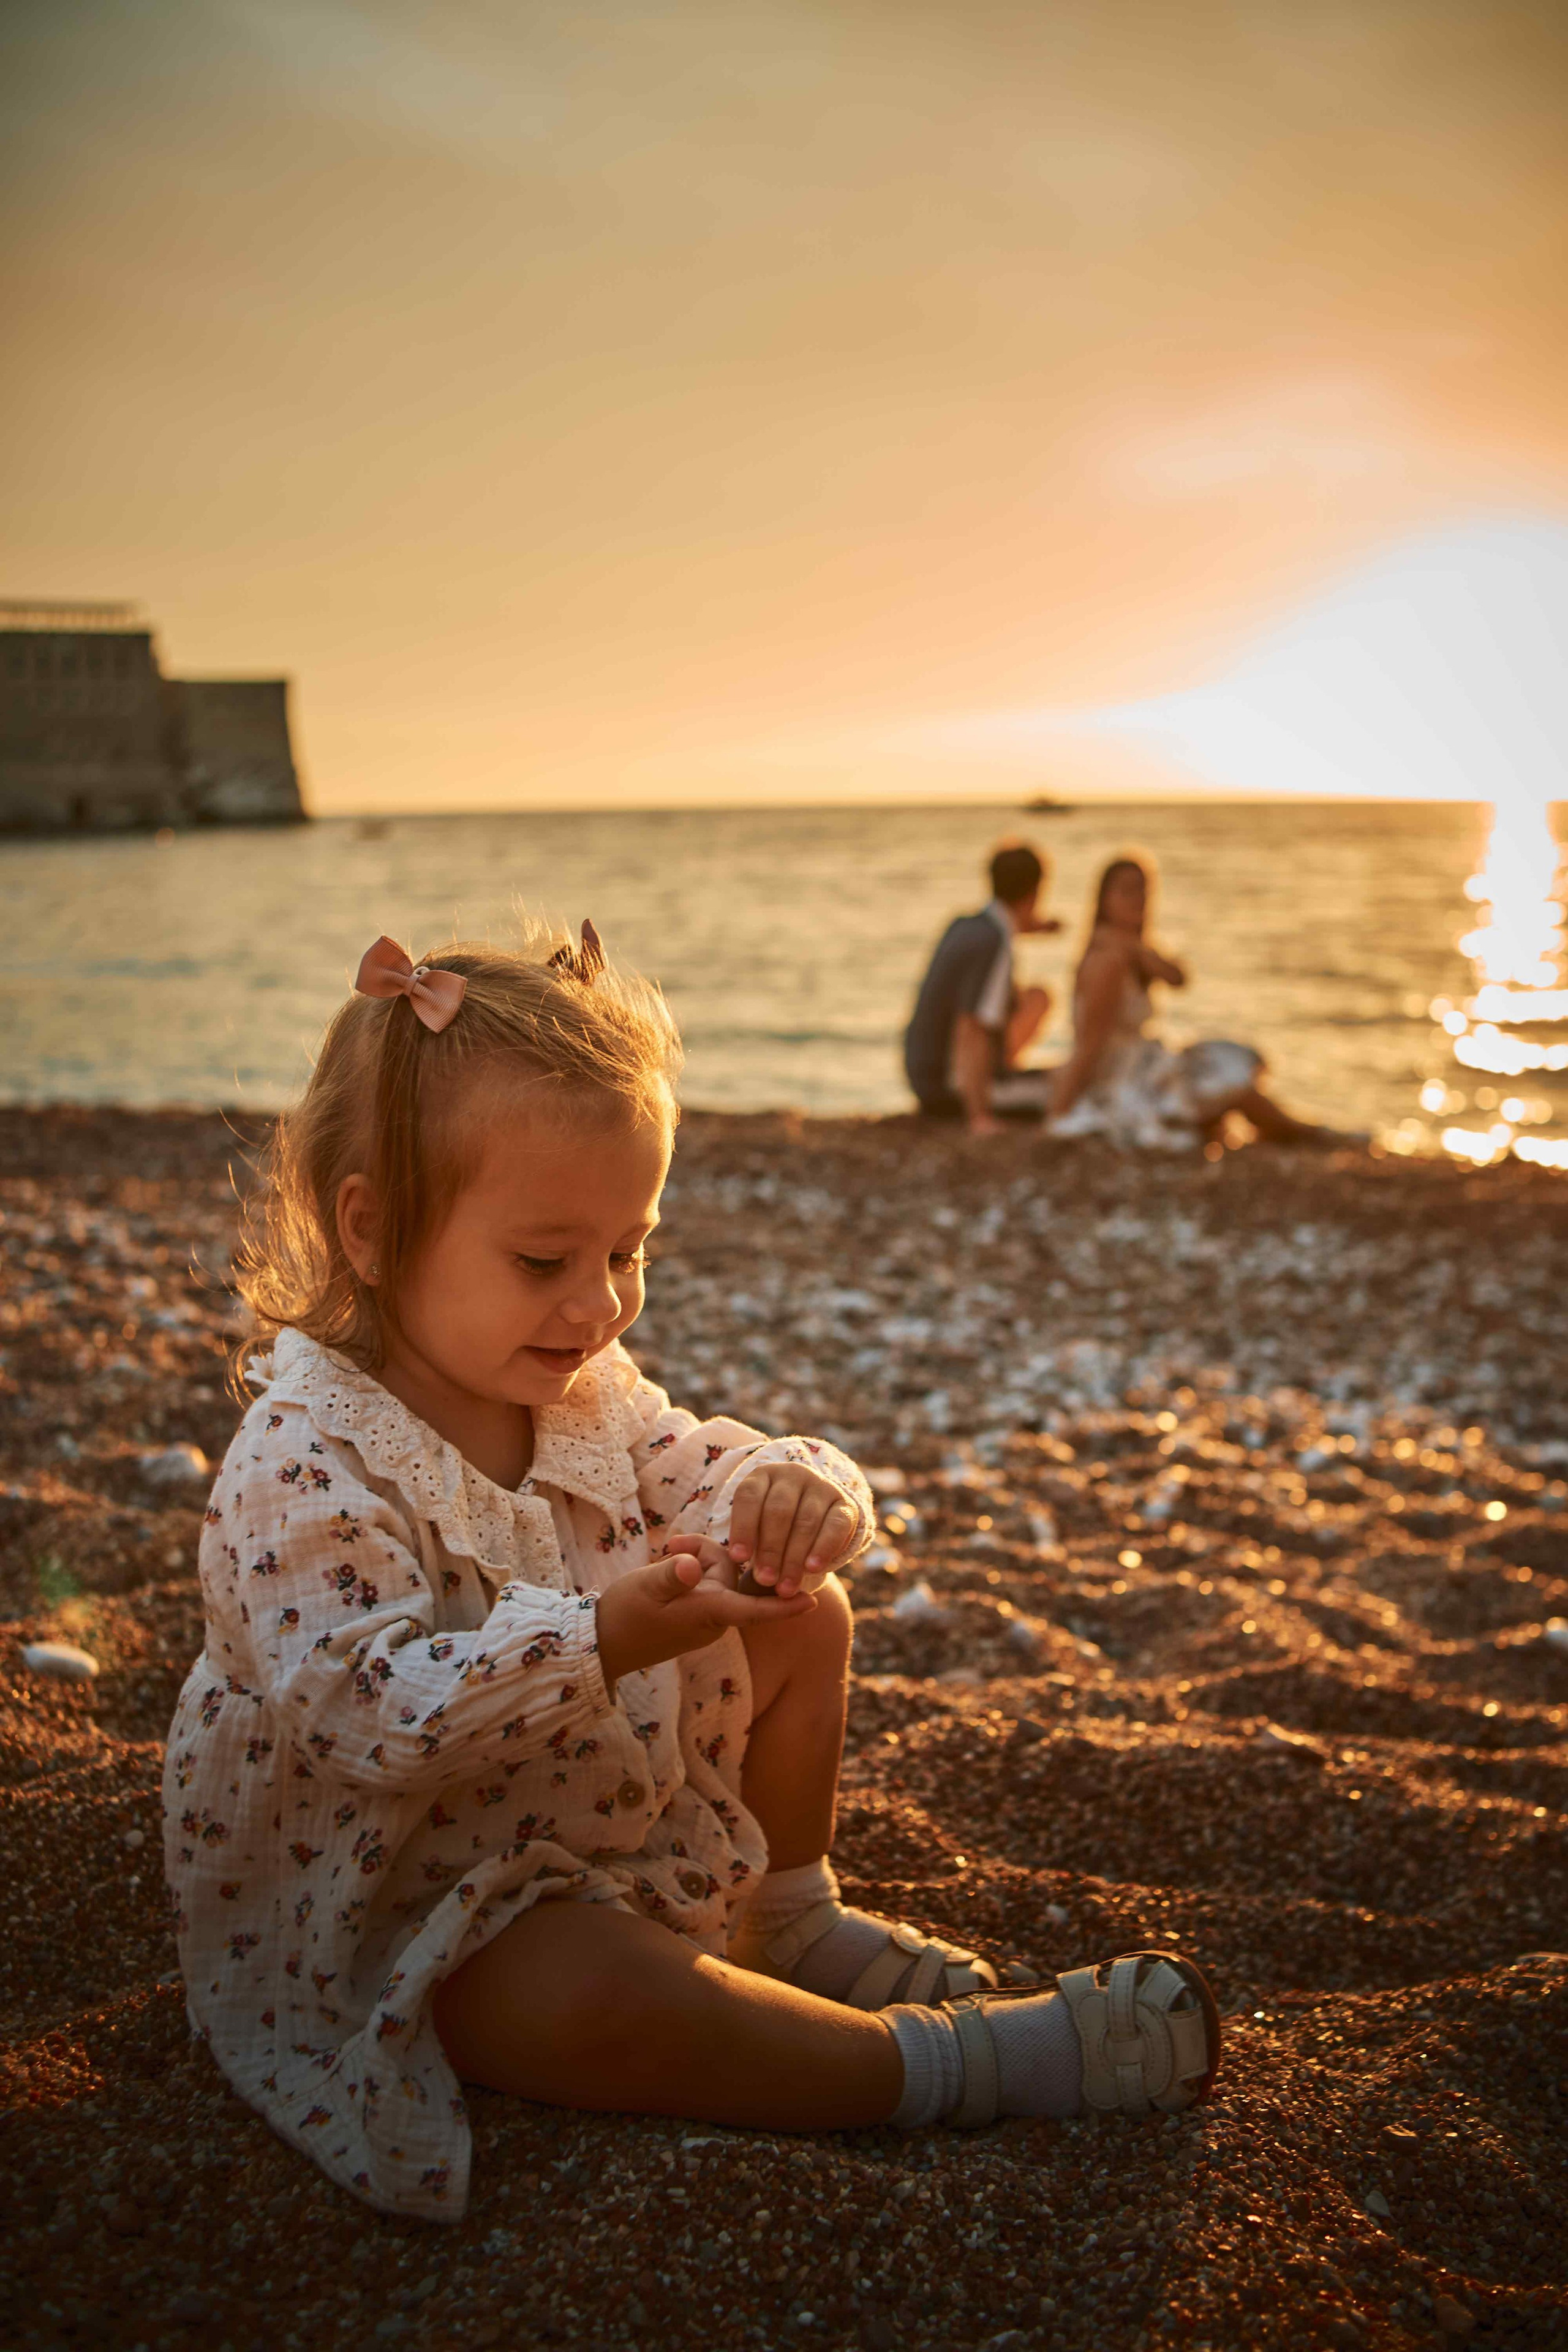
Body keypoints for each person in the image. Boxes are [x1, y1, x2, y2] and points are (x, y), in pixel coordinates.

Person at [164, 922, 1221, 2221]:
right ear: (372, 1232)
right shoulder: (307, 1456)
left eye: (628, 1251)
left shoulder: (576, 1389)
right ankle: (948, 2067)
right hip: (400, 1889)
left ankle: (784, 1915)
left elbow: (697, 1460)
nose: (599, 1305)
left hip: (547, 1803)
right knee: (584, 1995)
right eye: (545, 1261)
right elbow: (363, 1716)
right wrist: (603, 1632)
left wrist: (788, 1494)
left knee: (801, 1613)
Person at [1049, 854, 1338, 1148]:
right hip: (1122, 1082)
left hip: (1145, 1067)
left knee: (1226, 1065)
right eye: (1127, 890)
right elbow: (1089, 1042)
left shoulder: (1130, 951)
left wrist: (1135, 947)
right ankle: (1303, 1133)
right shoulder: (1107, 960)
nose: (1139, 899)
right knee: (1229, 1086)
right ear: (1105, 899)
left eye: (1144, 889)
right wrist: (1060, 1111)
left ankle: (1294, 1131)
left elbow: (1178, 978)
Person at [903, 840, 1060, 1133]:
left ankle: (997, 1078)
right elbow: (971, 1026)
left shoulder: (966, 925)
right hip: (949, 1091)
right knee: (1065, 1088)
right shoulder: (996, 942)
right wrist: (979, 1117)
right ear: (1036, 891)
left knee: (1036, 997)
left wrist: (1035, 928)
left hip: (924, 1076)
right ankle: (988, 1093)